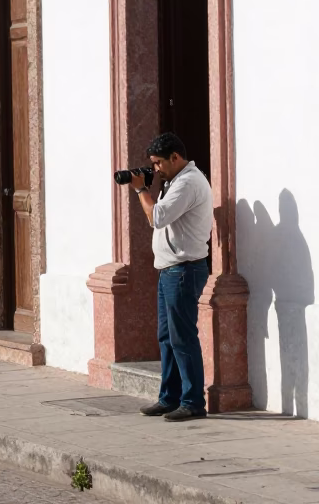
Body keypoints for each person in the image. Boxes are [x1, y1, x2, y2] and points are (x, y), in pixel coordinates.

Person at [124, 132, 213, 422]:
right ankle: (170, 397)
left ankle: (192, 401)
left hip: (183, 270)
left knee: (183, 337)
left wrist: (140, 190)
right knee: (167, 337)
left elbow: (157, 218)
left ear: (175, 157)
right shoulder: (173, 182)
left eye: (159, 163)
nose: (156, 169)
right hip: (170, 270)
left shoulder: (187, 182)